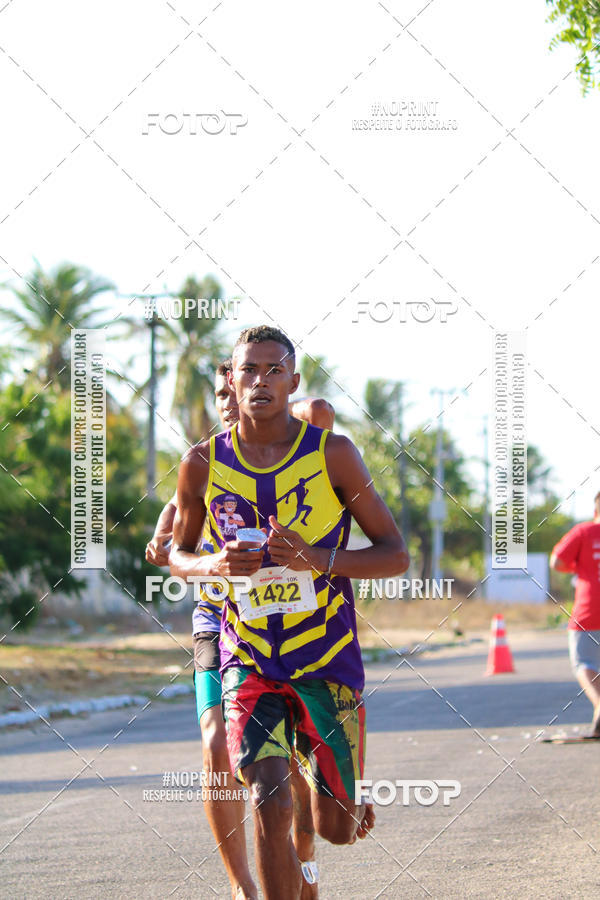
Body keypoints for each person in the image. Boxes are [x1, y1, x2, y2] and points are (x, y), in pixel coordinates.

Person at [170, 325, 409, 899]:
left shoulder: (334, 454)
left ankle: (336, 792)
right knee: (265, 798)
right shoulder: (202, 462)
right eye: (248, 370)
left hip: (324, 656)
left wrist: (316, 559)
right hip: (248, 656)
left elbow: (395, 554)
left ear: (293, 382)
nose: (260, 381)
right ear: (230, 379)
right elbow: (179, 554)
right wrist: (215, 566)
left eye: (274, 370)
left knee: (338, 829)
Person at [146, 359, 334, 900]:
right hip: (220, 624)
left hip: (294, 626)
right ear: (221, 394)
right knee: (217, 747)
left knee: (284, 770)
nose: (236, 400)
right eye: (227, 391)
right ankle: (243, 887)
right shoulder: (204, 464)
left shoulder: (301, 443)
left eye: (255, 381)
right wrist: (164, 549)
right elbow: (168, 540)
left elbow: (318, 412)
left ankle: (303, 860)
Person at [551, 491, 600, 738]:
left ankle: (599, 703)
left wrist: (577, 565)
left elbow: (556, 561)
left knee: (585, 663)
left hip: (590, 610)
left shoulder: (583, 532)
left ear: (595, 510)